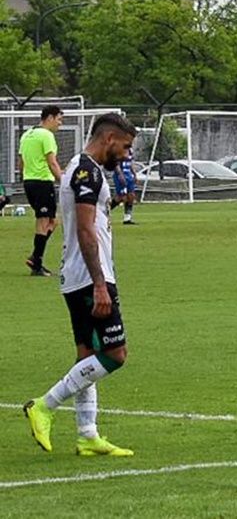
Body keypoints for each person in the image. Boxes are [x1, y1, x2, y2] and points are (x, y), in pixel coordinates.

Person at [23, 112, 139, 457]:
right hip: (91, 276)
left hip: (76, 276)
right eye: (126, 146)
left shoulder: (82, 169)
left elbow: (92, 222)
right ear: (108, 139)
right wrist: (101, 284)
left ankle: (87, 434)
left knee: (87, 355)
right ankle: (44, 405)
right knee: (115, 354)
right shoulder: (87, 171)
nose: (127, 153)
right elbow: (86, 230)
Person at [17, 105, 64, 276]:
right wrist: (63, 181)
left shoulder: (26, 134)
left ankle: (35, 257)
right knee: (44, 222)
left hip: (29, 182)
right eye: (59, 119)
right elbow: (52, 162)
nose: (60, 123)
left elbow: (20, 163)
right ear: (49, 118)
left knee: (53, 221)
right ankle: (37, 262)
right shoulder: (46, 135)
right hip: (43, 182)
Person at [112, 149, 138, 225]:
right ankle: (105, 212)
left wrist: (134, 174)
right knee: (121, 197)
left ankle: (127, 218)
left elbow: (131, 163)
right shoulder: (119, 150)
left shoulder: (130, 150)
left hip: (129, 176)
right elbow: (116, 164)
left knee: (131, 196)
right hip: (120, 176)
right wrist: (120, 174)